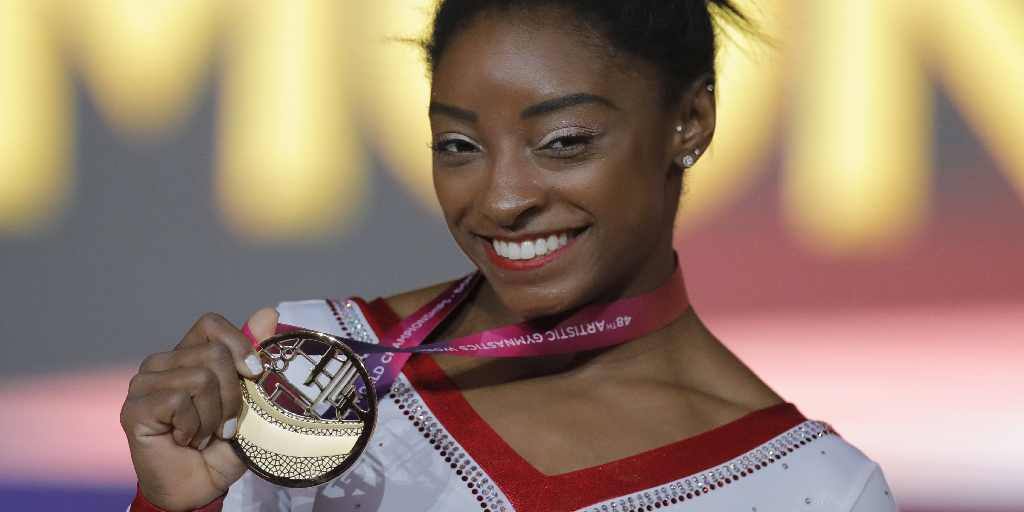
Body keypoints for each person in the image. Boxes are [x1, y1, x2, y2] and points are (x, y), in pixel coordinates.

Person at [122, 1, 897, 510]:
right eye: (459, 146)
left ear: (689, 121)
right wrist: (173, 506)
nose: (500, 200)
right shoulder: (301, 382)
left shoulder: (815, 491)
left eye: (563, 142)